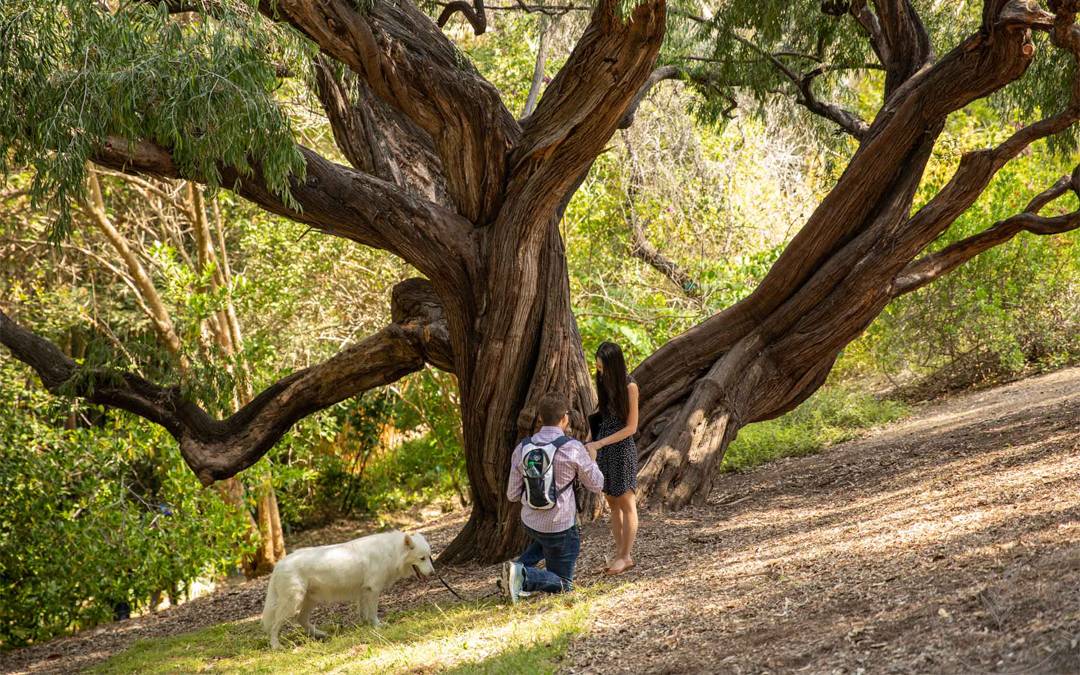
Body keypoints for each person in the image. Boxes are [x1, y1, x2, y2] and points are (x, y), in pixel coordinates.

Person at [502, 392, 604, 602]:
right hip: (560, 525)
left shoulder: (522, 448)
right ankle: (523, 576)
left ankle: (516, 568)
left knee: (544, 541)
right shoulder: (572, 448)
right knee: (564, 583)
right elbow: (597, 485)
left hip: (530, 522)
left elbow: (512, 495)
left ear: (540, 418)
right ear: (565, 417)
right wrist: (592, 460)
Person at [586, 341, 639, 576]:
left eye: (603, 367)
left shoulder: (630, 387)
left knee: (626, 501)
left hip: (621, 449)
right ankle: (620, 554)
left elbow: (631, 427)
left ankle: (626, 556)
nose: (600, 371)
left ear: (614, 364)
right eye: (598, 367)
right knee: (612, 503)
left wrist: (600, 442)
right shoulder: (603, 383)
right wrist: (590, 440)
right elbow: (601, 417)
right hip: (604, 449)